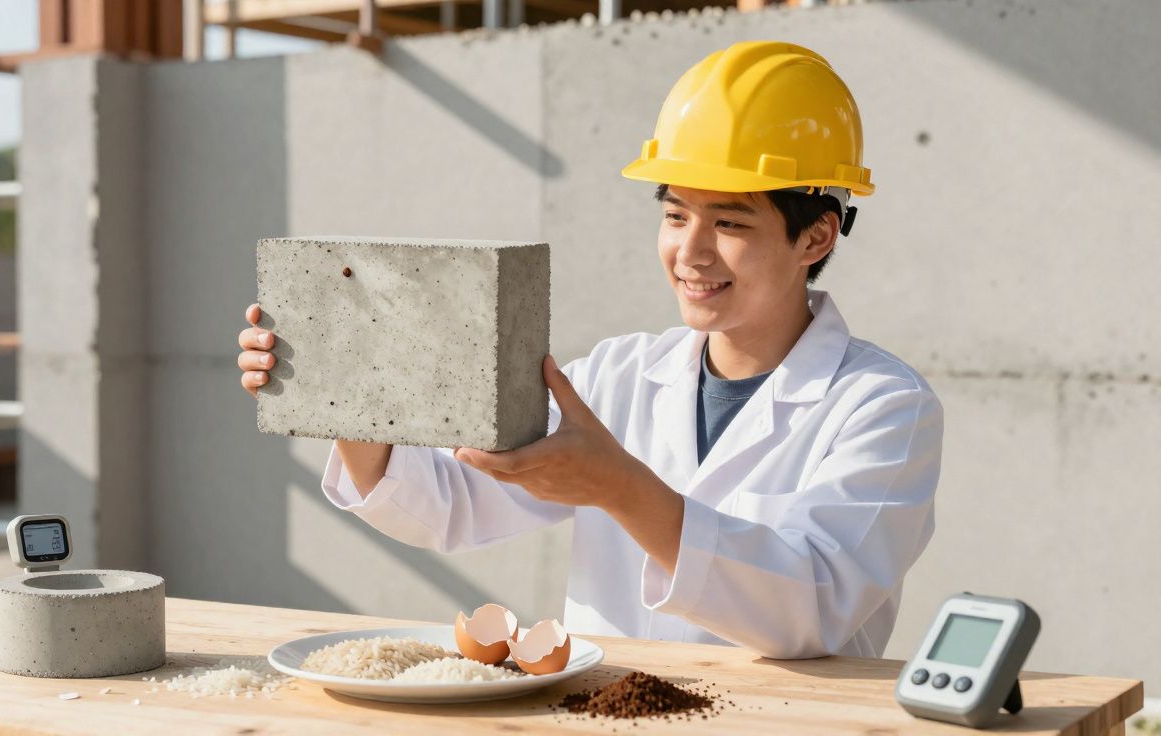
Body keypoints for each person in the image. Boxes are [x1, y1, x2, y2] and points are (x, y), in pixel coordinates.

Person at [236, 41, 942, 659]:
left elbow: (813, 608)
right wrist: (348, 390)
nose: (689, 251)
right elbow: (450, 503)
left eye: (728, 221)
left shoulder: (885, 409)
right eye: (674, 214)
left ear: (816, 238)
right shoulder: (619, 376)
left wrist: (618, 487)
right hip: (612, 718)